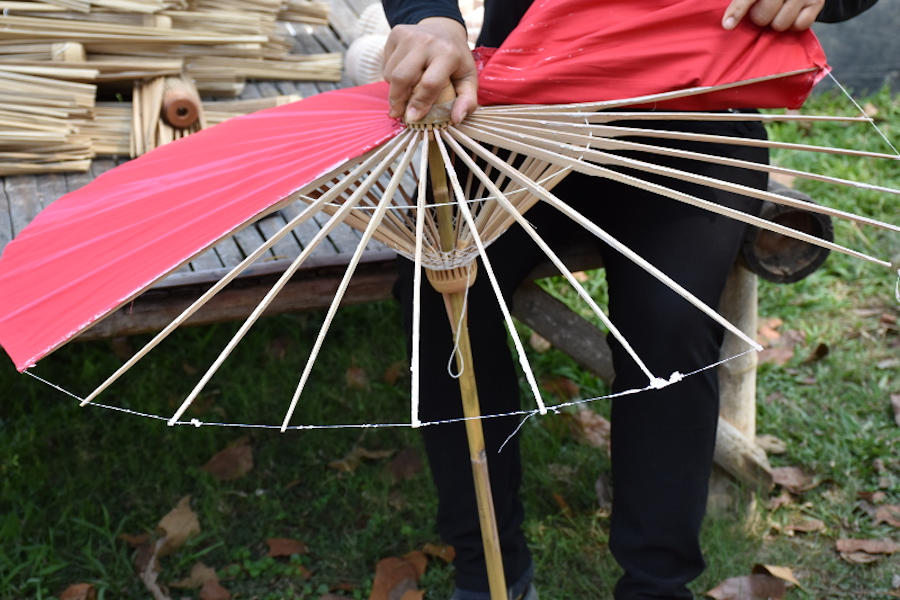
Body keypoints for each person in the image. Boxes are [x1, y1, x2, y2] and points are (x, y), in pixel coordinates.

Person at [380, 1, 878, 598]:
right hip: (520, 105)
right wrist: (431, 18)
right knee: (441, 292)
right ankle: (488, 568)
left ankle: (657, 585)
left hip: (691, 106)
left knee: (669, 318)